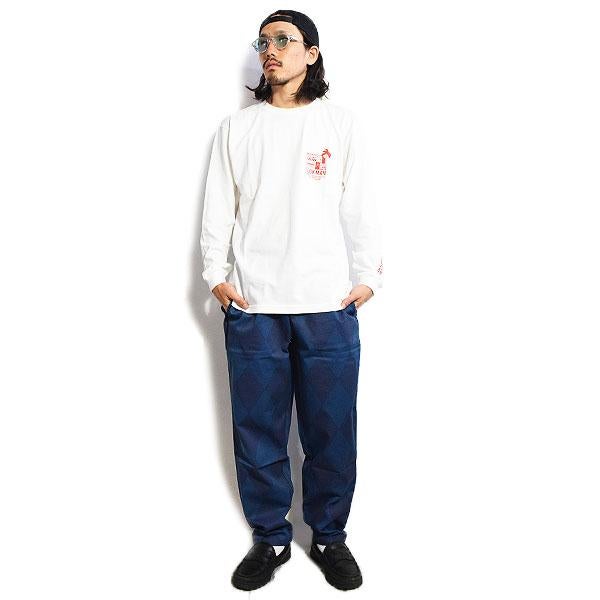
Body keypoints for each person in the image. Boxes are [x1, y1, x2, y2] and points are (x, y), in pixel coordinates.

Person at [200, 9, 383, 591]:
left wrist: (368, 275)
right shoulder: (238, 128)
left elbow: (361, 204)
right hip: (254, 306)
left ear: (312, 53)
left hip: (327, 303)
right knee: (258, 432)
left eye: (284, 39)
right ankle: (272, 538)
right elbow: (219, 206)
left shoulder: (340, 124)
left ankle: (328, 536)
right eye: (263, 42)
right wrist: (215, 275)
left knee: (331, 432)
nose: (270, 50)